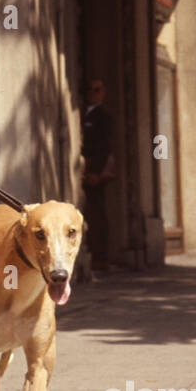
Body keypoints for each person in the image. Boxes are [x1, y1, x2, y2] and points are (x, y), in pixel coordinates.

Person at [81, 78, 115, 271]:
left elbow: (104, 147)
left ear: (103, 93)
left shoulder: (103, 116)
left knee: (97, 214)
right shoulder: (83, 113)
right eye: (90, 89)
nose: (92, 93)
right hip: (83, 171)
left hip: (95, 172)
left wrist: (96, 172)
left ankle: (101, 257)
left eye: (97, 90)